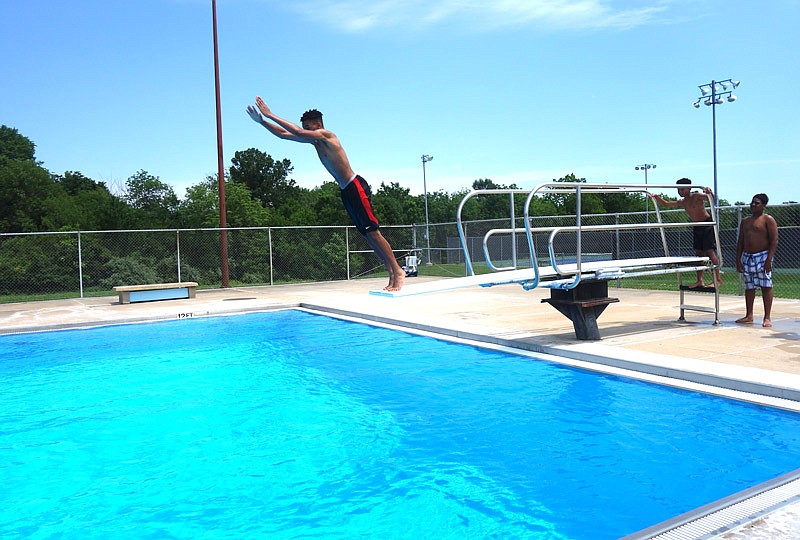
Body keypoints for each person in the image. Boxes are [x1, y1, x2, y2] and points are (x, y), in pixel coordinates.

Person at [246, 97, 404, 291]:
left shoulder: (327, 135)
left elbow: (295, 131)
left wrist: (269, 114)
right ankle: (390, 273)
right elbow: (284, 135)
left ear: (318, 125)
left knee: (374, 232)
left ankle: (398, 271)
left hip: (355, 186)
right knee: (368, 236)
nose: (305, 131)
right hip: (345, 190)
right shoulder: (315, 141)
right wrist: (262, 122)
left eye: (308, 127)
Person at [650, 178, 722, 288]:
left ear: (689, 188)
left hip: (706, 224)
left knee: (710, 252)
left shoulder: (696, 196)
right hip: (697, 226)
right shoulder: (683, 201)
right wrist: (656, 197)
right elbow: (667, 204)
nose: (680, 192)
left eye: (682, 189)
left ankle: (718, 279)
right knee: (699, 254)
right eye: (678, 190)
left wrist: (709, 191)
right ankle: (700, 280)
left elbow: (711, 198)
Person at [735, 193, 779, 328]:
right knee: (749, 287)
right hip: (748, 257)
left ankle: (767, 317)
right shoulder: (745, 221)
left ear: (764, 205)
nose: (753, 205)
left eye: (757, 203)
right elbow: (741, 241)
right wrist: (738, 259)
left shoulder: (768, 219)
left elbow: (774, 241)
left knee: (766, 286)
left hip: (763, 256)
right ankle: (749, 315)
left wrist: (768, 260)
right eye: (752, 202)